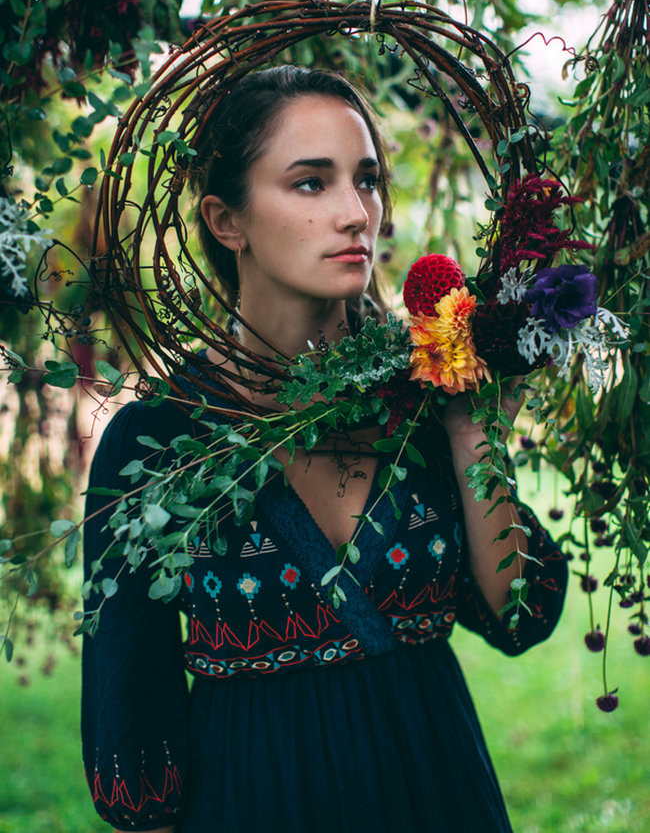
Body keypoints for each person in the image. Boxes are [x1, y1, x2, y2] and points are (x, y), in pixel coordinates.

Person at [81, 66, 568, 833]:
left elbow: (518, 615)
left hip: (439, 793)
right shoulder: (159, 441)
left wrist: (473, 425)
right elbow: (132, 730)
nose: (356, 213)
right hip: (251, 802)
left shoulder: (423, 394)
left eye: (367, 180)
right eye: (311, 183)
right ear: (226, 219)